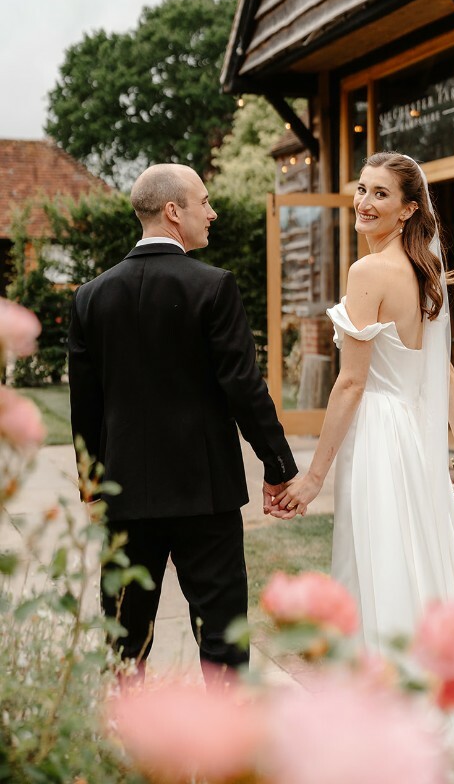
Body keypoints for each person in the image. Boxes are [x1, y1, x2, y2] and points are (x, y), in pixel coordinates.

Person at [68, 163, 297, 679]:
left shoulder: (90, 297)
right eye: (204, 202)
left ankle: (124, 740)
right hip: (205, 492)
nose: (212, 213)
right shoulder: (214, 287)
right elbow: (243, 387)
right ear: (174, 212)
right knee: (221, 633)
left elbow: (85, 406)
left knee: (124, 637)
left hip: (124, 493)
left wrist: (92, 487)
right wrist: (278, 465)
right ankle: (223, 748)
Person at [272, 151, 454, 646]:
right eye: (363, 189)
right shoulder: (424, 267)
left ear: (409, 209)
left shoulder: (368, 271)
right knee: (418, 551)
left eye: (381, 193)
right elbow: (445, 373)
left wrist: (313, 479)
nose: (364, 202)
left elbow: (351, 383)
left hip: (378, 435)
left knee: (381, 554)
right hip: (416, 438)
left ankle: (386, 677)